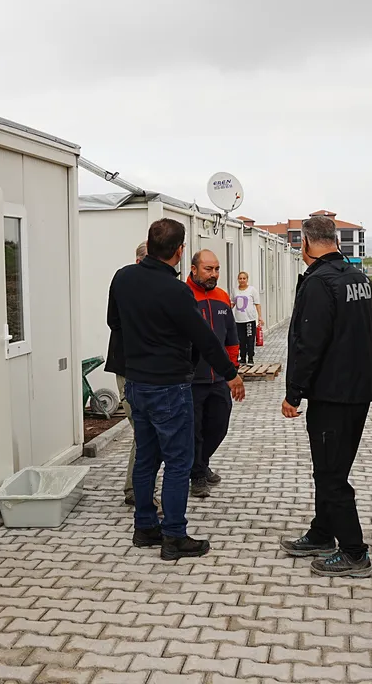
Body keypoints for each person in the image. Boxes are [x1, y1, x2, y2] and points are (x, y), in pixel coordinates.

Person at [108, 219, 246, 560]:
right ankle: (173, 537)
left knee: (146, 457)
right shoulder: (176, 291)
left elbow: (115, 322)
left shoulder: (123, 278)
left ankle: (144, 529)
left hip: (136, 384)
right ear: (180, 251)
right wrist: (231, 373)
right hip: (169, 386)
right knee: (179, 462)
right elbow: (203, 337)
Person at [279, 216, 372, 578]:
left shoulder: (320, 282)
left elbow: (309, 343)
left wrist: (294, 393)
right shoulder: (359, 278)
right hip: (358, 390)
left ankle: (354, 552)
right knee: (334, 468)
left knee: (330, 474)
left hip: (331, 394)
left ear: (306, 242)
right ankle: (322, 533)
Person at [187, 250, 240, 497]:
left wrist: (232, 370)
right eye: (208, 269)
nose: (214, 274)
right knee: (194, 430)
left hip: (219, 378)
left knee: (219, 426)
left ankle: (200, 463)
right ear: (194, 268)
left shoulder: (221, 297)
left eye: (217, 269)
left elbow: (231, 337)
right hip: (191, 380)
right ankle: (197, 474)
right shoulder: (183, 296)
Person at [110, 240, 152, 506]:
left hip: (148, 369)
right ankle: (136, 491)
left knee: (147, 431)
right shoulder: (125, 281)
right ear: (140, 261)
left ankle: (138, 489)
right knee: (143, 430)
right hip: (128, 368)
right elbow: (114, 321)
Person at [234, 271, 264, 365]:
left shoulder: (252, 290)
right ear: (238, 279)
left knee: (250, 339)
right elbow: (232, 303)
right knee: (241, 340)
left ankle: (250, 358)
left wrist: (260, 317)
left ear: (247, 279)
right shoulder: (235, 290)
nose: (242, 280)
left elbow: (257, 304)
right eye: (240, 278)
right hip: (238, 320)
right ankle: (242, 358)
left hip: (249, 320)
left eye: (244, 278)